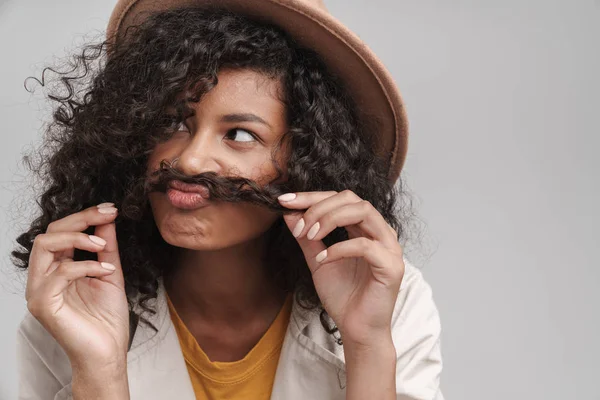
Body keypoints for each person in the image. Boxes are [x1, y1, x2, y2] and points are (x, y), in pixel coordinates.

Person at [12, 1, 444, 399]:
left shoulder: (388, 299)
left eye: (239, 135)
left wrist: (367, 342)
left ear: (310, 162)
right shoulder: (69, 306)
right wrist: (100, 372)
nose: (190, 158)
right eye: (173, 122)